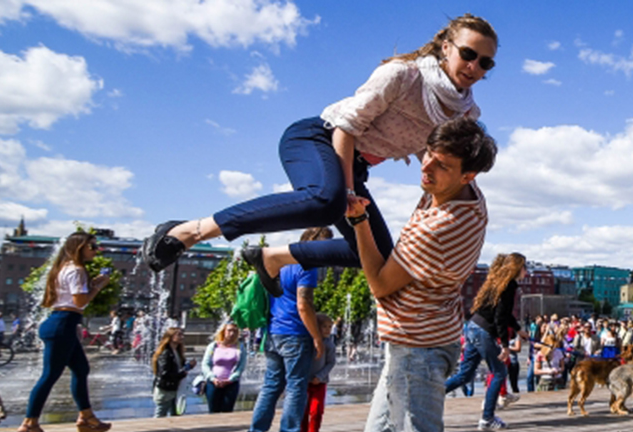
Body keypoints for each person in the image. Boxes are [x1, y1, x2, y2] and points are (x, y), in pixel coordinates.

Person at [141, 14, 498, 288]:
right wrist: (345, 194)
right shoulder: (403, 76)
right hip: (319, 140)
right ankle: (190, 230)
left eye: (485, 63)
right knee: (326, 202)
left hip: (354, 166)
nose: (474, 67)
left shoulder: (466, 112)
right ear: (447, 47)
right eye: (469, 54)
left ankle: (273, 258)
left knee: (378, 255)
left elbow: (439, 159)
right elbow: (345, 128)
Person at [351, 118, 496, 432]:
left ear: (468, 175)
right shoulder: (463, 196)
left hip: (416, 347)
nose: (427, 167)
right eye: (427, 155)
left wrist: (358, 224)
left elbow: (379, 283)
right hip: (416, 342)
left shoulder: (441, 225)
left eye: (442, 164)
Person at [16, 232, 112, 432]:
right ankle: (29, 425)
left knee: (81, 369)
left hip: (59, 322)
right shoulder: (76, 270)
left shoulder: (63, 268)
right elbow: (79, 302)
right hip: (63, 324)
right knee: (49, 376)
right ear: (79, 248)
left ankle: (86, 417)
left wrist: (93, 283)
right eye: (92, 246)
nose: (96, 250)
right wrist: (99, 285)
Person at [242, 228, 329, 432]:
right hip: (296, 335)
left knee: (271, 386)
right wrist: (317, 337)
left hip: (273, 333)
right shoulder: (307, 266)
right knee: (296, 386)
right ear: (316, 245)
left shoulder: (279, 264)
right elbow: (304, 304)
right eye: (326, 246)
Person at [445, 252, 529, 430]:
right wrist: (505, 346)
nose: (526, 272)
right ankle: (487, 419)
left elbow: (503, 314)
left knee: (465, 375)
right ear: (516, 268)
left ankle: (429, 397)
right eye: (524, 267)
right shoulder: (509, 286)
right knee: (499, 372)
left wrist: (518, 328)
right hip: (483, 331)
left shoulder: (497, 283)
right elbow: (500, 317)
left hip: (473, 327)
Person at [300, 313, 336, 432]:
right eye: (324, 327)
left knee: (316, 410)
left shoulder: (329, 344)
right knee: (303, 409)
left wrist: (320, 376)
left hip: (319, 383)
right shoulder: (307, 342)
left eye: (330, 327)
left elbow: (331, 362)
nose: (328, 330)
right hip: (304, 382)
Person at [202, 321, 248, 413]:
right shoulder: (213, 346)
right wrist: (212, 378)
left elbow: (241, 366)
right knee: (213, 411)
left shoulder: (240, 347)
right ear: (223, 331)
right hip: (213, 383)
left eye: (235, 331)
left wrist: (231, 379)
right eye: (229, 330)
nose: (232, 333)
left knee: (227, 411)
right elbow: (205, 364)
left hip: (231, 383)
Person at [152, 327, 197, 417]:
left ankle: (173, 430)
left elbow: (178, 369)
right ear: (171, 337)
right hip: (165, 389)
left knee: (176, 413)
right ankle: (156, 429)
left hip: (175, 388)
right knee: (161, 413)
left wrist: (188, 367)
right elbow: (164, 373)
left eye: (182, 334)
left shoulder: (176, 351)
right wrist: (181, 375)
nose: (182, 337)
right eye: (179, 335)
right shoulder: (166, 353)